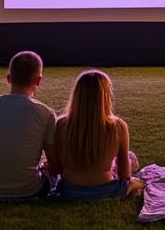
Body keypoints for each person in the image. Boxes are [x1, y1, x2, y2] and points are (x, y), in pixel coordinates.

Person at [0, 50, 59, 199]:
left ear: (9, 78)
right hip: (30, 191)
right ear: (38, 81)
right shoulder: (46, 113)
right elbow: (54, 168)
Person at [51, 70, 143, 200]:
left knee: (128, 157)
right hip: (106, 190)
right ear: (105, 95)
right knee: (135, 174)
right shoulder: (118, 126)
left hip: (69, 190)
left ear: (77, 94)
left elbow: (60, 167)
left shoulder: (61, 124)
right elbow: (124, 175)